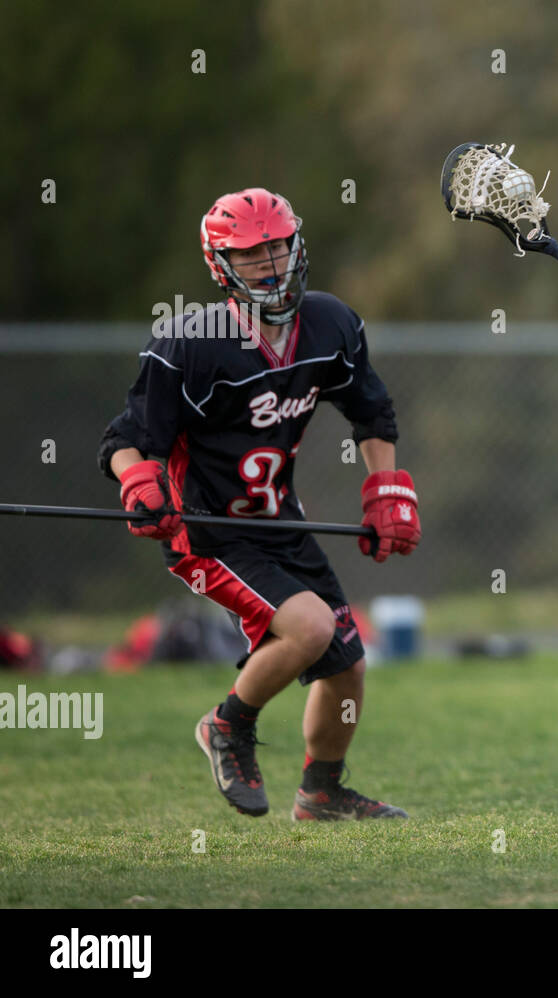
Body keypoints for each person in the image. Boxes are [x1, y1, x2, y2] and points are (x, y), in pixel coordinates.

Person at [98, 188, 421, 820]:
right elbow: (125, 441)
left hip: (279, 522)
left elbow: (371, 411)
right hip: (209, 531)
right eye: (251, 255)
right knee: (311, 627)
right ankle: (227, 725)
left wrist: (384, 486)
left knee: (347, 666)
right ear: (221, 265)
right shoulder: (192, 343)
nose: (270, 265)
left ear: (298, 244)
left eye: (277, 247)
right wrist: (141, 483)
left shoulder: (329, 324)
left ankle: (321, 792)